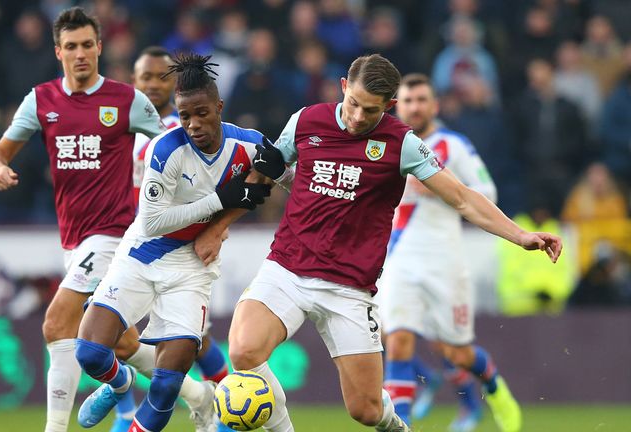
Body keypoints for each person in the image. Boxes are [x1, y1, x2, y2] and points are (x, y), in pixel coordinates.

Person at [233, 53, 562, 432]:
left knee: (367, 411)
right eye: (353, 103)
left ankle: (398, 425)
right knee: (244, 351)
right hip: (287, 269)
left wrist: (521, 235)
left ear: (389, 106)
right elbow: (270, 173)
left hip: (348, 287)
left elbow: (461, 196)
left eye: (370, 111)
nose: (357, 117)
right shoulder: (306, 121)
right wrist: (218, 222)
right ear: (343, 87)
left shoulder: (402, 143)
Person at [0, 8, 214, 432]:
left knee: (56, 322)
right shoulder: (41, 101)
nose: (80, 54)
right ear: (58, 52)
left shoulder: (126, 100)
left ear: (100, 48)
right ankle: (199, 395)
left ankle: (56, 427)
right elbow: (0, 151)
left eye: (87, 45)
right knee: (124, 343)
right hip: (73, 239)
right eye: (71, 47)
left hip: (113, 234)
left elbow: (173, 139)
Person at [75, 53, 271, 432]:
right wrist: (222, 200)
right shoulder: (167, 149)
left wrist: (227, 217)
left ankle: (194, 403)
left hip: (192, 267)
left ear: (219, 106)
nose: (193, 125)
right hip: (141, 255)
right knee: (90, 353)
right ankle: (121, 383)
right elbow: (152, 222)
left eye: (201, 113)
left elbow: (281, 171)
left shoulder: (248, 144)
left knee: (165, 387)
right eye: (185, 116)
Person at [379, 73, 517, 432]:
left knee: (456, 352)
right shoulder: (384, 145)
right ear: (398, 106)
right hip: (398, 260)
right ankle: (402, 424)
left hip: (445, 262)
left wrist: (442, 188)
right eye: (408, 100)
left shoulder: (453, 146)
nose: (415, 106)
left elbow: (488, 191)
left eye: (422, 99)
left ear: (434, 105)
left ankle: (493, 385)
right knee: (398, 340)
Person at [106, 45, 231, 432]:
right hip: (134, 242)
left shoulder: (182, 133)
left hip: (180, 253)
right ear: (134, 82)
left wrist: (218, 225)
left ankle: (224, 409)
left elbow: (227, 184)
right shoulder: (124, 132)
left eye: (163, 76)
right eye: (146, 77)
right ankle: (125, 402)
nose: (154, 84)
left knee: (195, 342)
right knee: (113, 336)